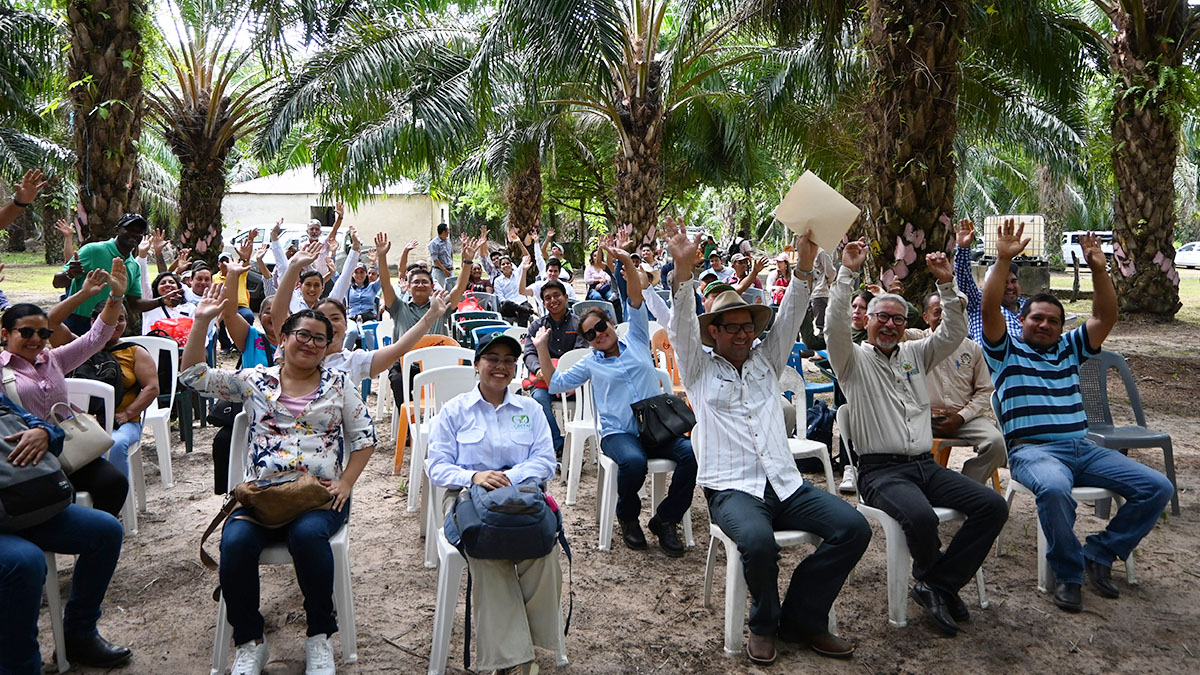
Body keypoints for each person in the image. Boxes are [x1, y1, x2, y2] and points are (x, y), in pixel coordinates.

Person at [663, 219, 869, 664]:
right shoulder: (700, 371)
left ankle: (802, 618)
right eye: (730, 327)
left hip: (785, 484)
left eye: (747, 326)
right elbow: (680, 325)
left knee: (853, 528)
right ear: (713, 333)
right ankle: (764, 622)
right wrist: (683, 273)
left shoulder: (766, 361)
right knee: (758, 544)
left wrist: (805, 262)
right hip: (733, 489)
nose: (741, 333)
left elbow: (794, 309)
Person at [981, 221, 1173, 614]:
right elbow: (987, 307)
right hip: (1035, 453)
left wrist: (1100, 269)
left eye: (1053, 320)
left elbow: (1105, 317)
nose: (1046, 325)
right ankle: (1068, 575)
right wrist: (1003, 259)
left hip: (1083, 449)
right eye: (1038, 318)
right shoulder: (1006, 351)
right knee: (1053, 491)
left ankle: (1100, 553)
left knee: (1157, 487)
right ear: (1023, 320)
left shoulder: (1070, 349)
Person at [180, 299, 375, 675]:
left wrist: (346, 482)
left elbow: (365, 438)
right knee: (234, 544)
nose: (311, 343)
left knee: (307, 538)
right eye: (302, 334)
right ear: (282, 339)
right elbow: (192, 377)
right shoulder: (255, 380)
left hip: (319, 496)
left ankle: (319, 637)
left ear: (328, 347)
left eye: (321, 339)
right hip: (262, 495)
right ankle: (250, 642)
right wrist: (202, 322)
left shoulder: (339, 385)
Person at [826, 238, 1008, 638]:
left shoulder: (915, 354)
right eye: (882, 318)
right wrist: (846, 274)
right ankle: (936, 580)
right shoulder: (852, 361)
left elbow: (954, 332)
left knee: (992, 506)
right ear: (868, 322)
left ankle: (936, 584)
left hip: (925, 467)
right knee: (922, 518)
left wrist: (947, 284)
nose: (890, 324)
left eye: (896, 319)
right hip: (881, 474)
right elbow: (834, 325)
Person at [540, 233, 696, 557]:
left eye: (602, 327)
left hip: (657, 427)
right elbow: (555, 384)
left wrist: (623, 259)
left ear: (611, 324)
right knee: (635, 463)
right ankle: (627, 516)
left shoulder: (637, 337)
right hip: (619, 433)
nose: (599, 335)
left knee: (690, 456)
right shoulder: (590, 363)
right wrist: (541, 349)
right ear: (586, 340)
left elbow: (635, 298)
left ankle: (666, 520)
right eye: (590, 334)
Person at [426, 333, 563, 674]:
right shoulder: (455, 410)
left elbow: (546, 460)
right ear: (477, 366)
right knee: (486, 550)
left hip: (521, 496)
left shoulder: (530, 408)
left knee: (543, 548)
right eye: (492, 359)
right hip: (465, 496)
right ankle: (514, 660)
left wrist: (508, 478)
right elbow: (436, 465)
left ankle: (528, 641)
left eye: (508, 361)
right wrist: (475, 477)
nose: (500, 367)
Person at [0, 393, 132, 672]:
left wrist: (43, 432)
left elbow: (54, 435)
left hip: (25, 505)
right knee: (25, 561)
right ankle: (21, 666)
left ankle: (79, 635)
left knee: (106, 531)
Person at [2, 266, 131, 518]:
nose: (36, 339)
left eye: (43, 333)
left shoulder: (53, 359)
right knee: (58, 496)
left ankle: (95, 538)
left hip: (68, 449)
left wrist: (115, 297)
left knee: (114, 483)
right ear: (5, 334)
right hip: (24, 457)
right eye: (26, 332)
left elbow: (96, 338)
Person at [903, 293, 1006, 484]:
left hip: (963, 419)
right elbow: (895, 328)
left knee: (997, 443)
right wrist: (890, 295)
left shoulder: (973, 349)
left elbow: (985, 391)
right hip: (922, 418)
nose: (943, 317)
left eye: (949, 312)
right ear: (925, 317)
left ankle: (967, 485)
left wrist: (961, 417)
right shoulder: (915, 342)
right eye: (937, 312)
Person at [51, 213, 170, 336]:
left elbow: (135, 304)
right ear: (117, 230)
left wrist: (162, 301)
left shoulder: (134, 266)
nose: (134, 234)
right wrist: (69, 274)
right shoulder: (92, 250)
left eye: (139, 232)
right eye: (129, 230)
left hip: (109, 324)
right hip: (78, 321)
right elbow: (57, 282)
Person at [87, 303, 159, 480]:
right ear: (94, 321)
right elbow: (55, 325)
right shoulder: (81, 348)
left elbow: (152, 388)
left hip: (123, 422)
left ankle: (115, 500)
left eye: (121, 319)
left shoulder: (135, 352)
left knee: (115, 444)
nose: (116, 324)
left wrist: (127, 414)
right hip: (86, 422)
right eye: (110, 318)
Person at [522, 280, 586, 456]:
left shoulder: (579, 324)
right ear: (543, 303)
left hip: (574, 382)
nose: (552, 300)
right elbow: (529, 352)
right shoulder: (536, 326)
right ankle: (560, 446)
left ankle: (580, 440)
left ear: (566, 297)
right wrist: (538, 370)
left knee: (589, 400)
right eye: (547, 298)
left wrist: (565, 373)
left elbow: (581, 352)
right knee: (539, 401)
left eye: (556, 295)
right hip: (544, 381)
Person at [954, 218, 1024, 343]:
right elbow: (964, 280)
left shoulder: (1029, 306)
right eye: (1003, 282)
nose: (1010, 287)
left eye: (1013, 281)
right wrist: (963, 248)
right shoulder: (978, 303)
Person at [809, 247, 835, 335]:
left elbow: (830, 272)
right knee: (806, 324)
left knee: (821, 327)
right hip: (809, 293)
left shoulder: (822, 252)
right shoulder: (808, 250)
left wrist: (826, 282)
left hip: (820, 293)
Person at [428, 223, 454, 288]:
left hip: (450, 269)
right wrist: (445, 270)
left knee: (451, 290)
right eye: (447, 230)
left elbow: (450, 253)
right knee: (440, 289)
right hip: (440, 271)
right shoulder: (434, 243)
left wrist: (451, 263)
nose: (448, 232)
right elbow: (435, 260)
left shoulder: (448, 240)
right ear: (443, 232)